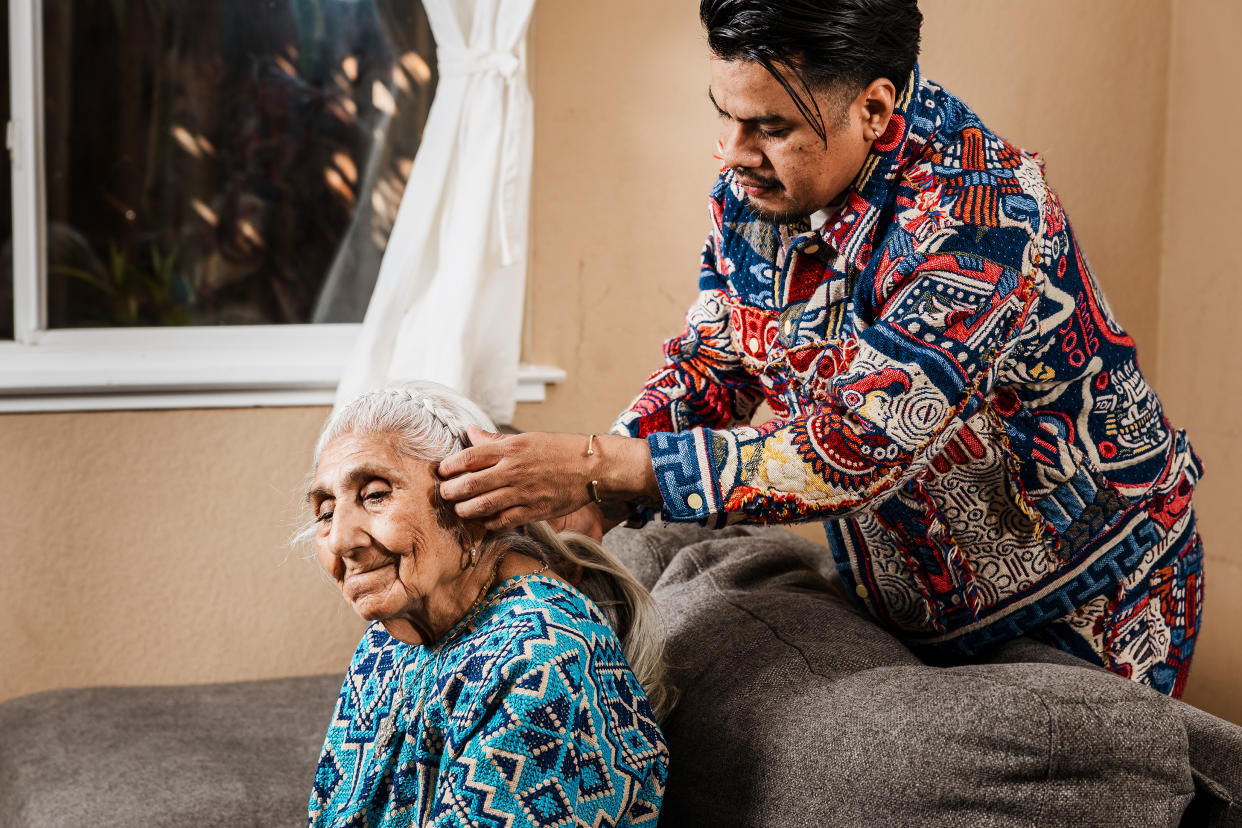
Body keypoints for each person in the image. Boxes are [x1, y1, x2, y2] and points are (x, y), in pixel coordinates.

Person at [436, 0, 1205, 698]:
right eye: (726, 117)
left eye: (770, 128)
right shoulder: (757, 193)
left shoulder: (987, 215)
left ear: (873, 107)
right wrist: (599, 496)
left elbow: (857, 441)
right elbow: (718, 357)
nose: (733, 152)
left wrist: (598, 462)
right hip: (911, 611)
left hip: (1094, 607)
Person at [304, 381, 669, 827]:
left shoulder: (545, 658)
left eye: (375, 494)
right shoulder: (384, 644)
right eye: (324, 512)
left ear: (472, 502)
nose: (341, 539)